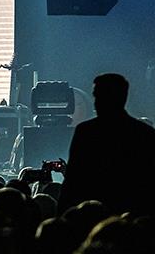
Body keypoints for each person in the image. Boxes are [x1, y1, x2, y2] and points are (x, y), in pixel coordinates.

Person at [58, 73, 155, 216]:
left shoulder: (86, 132)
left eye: (98, 96)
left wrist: (62, 214)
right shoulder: (144, 132)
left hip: (92, 213)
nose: (96, 102)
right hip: (133, 212)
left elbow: (73, 179)